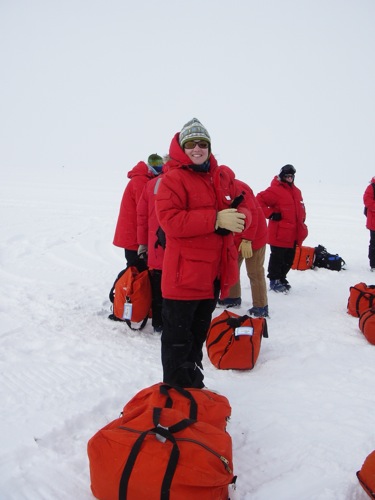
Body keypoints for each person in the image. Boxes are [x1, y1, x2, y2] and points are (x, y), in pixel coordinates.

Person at [155, 118, 250, 388]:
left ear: (209, 147)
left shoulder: (221, 177)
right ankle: (176, 396)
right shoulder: (172, 179)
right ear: (182, 148)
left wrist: (241, 218)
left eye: (202, 144)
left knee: (196, 341)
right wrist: (215, 220)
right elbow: (170, 221)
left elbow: (248, 206)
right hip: (183, 279)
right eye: (191, 144)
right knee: (177, 344)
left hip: (211, 278)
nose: (197, 149)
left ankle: (194, 388)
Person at [218, 179, 269, 317]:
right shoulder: (215, 189)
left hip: (255, 236)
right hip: (236, 237)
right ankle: (232, 298)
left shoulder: (238, 188)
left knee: (255, 271)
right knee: (231, 267)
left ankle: (261, 306)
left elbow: (252, 214)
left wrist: (248, 239)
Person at [256, 164, 308, 293]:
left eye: (291, 176)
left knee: (289, 259)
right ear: (282, 176)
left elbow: (300, 209)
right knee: (277, 258)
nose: (289, 178)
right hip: (279, 232)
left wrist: (302, 220)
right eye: (287, 176)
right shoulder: (275, 190)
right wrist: (271, 214)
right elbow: (258, 201)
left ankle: (282, 277)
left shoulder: (297, 191)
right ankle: (274, 280)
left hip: (294, 232)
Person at [113, 154, 164, 271]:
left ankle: (126, 288)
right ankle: (123, 289)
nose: (159, 167)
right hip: (134, 235)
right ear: (149, 165)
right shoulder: (141, 180)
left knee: (136, 269)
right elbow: (145, 209)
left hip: (135, 233)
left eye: (160, 164)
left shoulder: (146, 178)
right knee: (136, 270)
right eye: (156, 164)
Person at [137, 166, 166, 333]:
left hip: (155, 245)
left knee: (157, 285)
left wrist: (143, 243)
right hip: (174, 245)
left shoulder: (152, 184)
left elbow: (141, 215)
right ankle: (172, 323)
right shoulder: (183, 181)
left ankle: (158, 322)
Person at [363, 176, 375, 271]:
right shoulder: (371, 187)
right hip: (373, 222)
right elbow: (367, 201)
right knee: (374, 243)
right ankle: (373, 265)